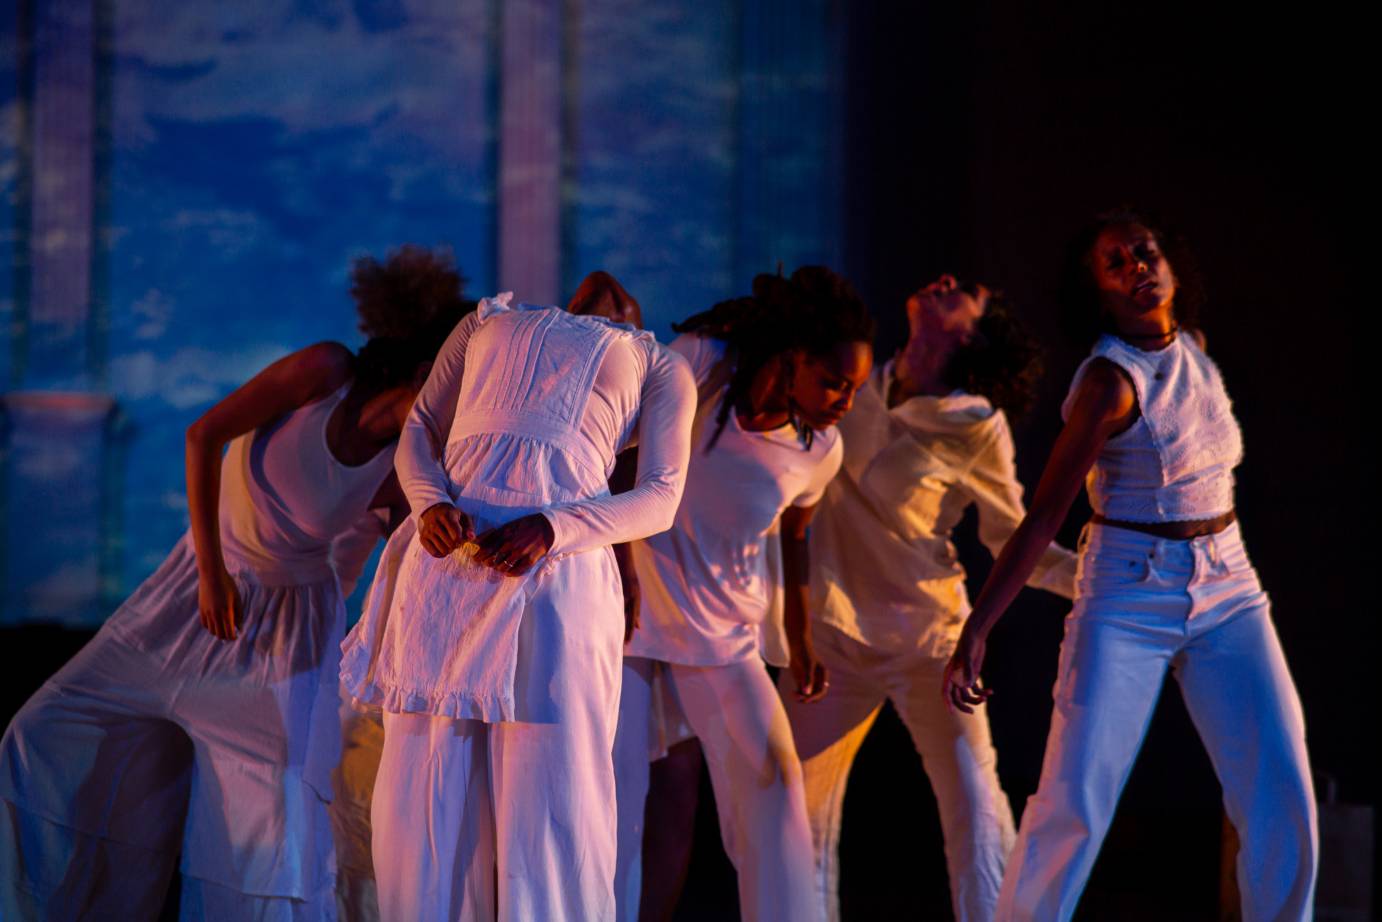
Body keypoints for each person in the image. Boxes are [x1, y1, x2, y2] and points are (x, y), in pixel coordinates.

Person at [0, 245, 472, 920]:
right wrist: (214, 576)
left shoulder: (409, 467)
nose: (448, 412)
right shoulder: (326, 370)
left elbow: (376, 555)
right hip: (193, 592)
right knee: (48, 730)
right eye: (448, 390)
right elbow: (204, 435)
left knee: (265, 833)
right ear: (424, 366)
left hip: (284, 634)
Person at [943, 211, 1318, 921]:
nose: (1138, 267)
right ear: (1100, 292)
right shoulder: (1109, 384)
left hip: (1229, 585)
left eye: (1145, 253)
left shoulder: (1196, 351)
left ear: (1172, 264)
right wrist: (977, 628)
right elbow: (1046, 516)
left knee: (1280, 785)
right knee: (1075, 799)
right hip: (1128, 593)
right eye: (1117, 264)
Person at [338, 287, 697, 921]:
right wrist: (427, 503)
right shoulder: (486, 320)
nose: (606, 287)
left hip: (555, 586)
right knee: (426, 802)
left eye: (622, 301)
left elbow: (662, 497)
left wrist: (554, 528)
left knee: (555, 804)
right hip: (448, 572)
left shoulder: (660, 364)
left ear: (636, 318)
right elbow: (419, 427)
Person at [782, 275, 1077, 922]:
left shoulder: (975, 424)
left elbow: (1012, 540)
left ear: (971, 329)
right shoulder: (852, 386)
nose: (947, 282)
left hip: (930, 644)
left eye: (968, 290)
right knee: (792, 818)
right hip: (834, 642)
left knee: (975, 808)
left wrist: (1099, 580)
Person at [612, 267, 874, 922]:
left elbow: (797, 530)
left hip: (722, 636)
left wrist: (802, 635)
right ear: (794, 358)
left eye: (856, 388)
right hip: (627, 623)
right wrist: (622, 570)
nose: (845, 399)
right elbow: (617, 457)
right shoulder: (703, 365)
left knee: (775, 792)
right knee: (613, 811)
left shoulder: (821, 449)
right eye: (835, 380)